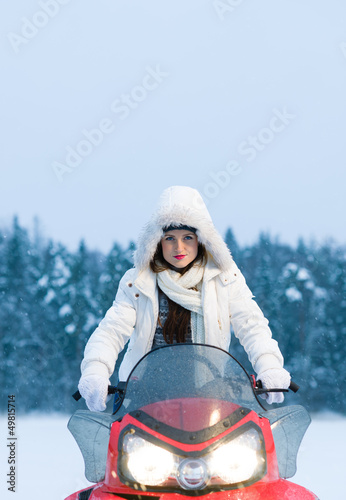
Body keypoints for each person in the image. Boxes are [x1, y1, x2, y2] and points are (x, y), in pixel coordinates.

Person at [78, 185, 290, 411]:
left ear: (201, 240)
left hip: (211, 398)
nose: (179, 247)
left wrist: (269, 367)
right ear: (157, 242)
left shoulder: (225, 278)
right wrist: (96, 371)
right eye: (169, 238)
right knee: (117, 445)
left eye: (188, 237)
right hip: (143, 399)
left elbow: (251, 325)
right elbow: (111, 331)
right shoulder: (138, 281)